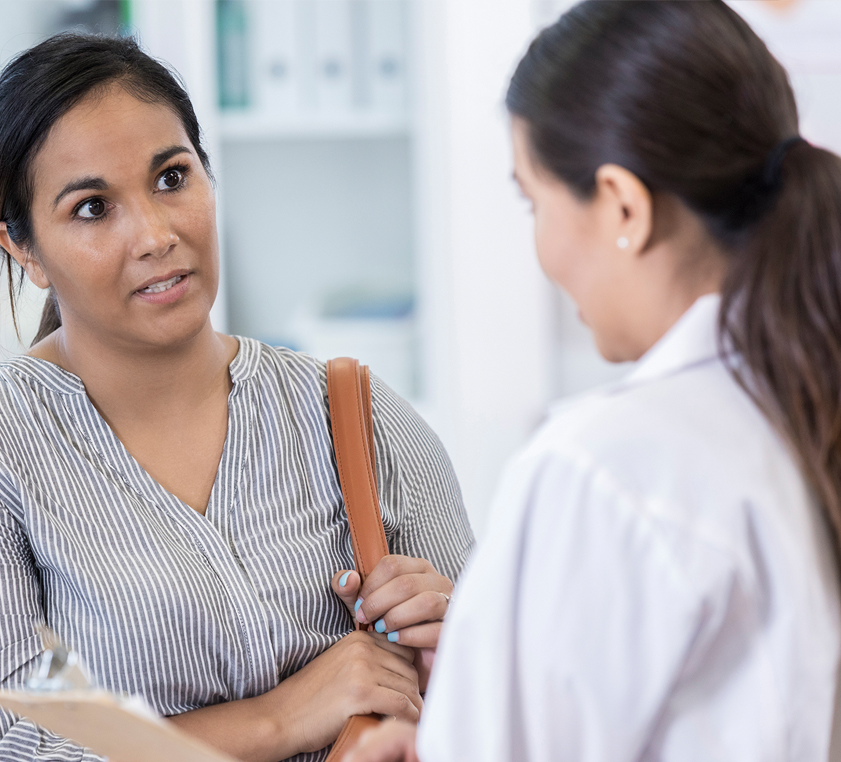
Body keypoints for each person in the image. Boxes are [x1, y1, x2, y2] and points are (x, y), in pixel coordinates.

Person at [0, 33, 473, 762]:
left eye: (171, 178)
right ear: (22, 249)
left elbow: (509, 711)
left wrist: (455, 650)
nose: (156, 235)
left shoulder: (356, 413)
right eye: (93, 208)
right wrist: (281, 719)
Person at [347, 1, 841, 760]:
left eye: (533, 200)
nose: (539, 246)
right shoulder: (802, 401)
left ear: (621, 206)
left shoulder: (601, 465)